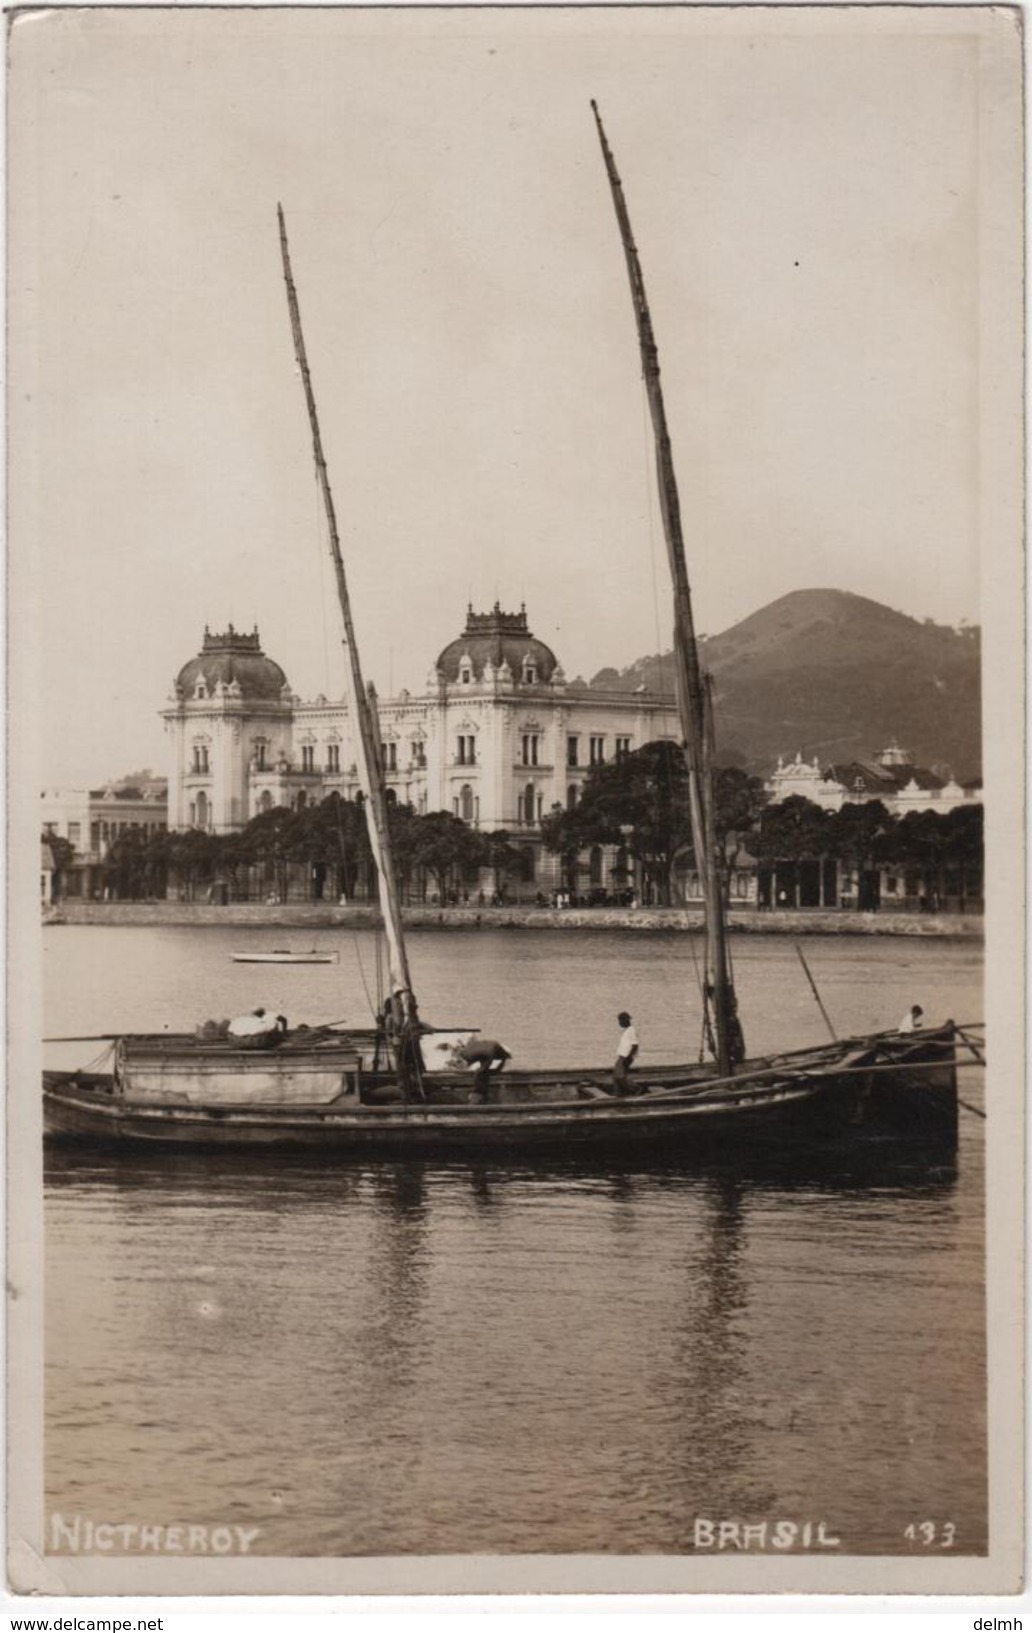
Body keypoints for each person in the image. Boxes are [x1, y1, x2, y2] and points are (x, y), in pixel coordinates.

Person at [459, 1037, 511, 1102]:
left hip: (465, 1052)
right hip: (475, 1055)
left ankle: (478, 1094)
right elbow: (483, 1070)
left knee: (481, 1071)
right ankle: (477, 1095)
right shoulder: (491, 1053)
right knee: (481, 1073)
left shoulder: (492, 1044)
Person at [612, 1010, 639, 1096]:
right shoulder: (627, 1031)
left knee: (619, 1076)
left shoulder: (631, 1030)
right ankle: (619, 1094)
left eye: (620, 1020)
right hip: (622, 1056)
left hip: (625, 1057)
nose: (619, 1023)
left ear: (625, 1020)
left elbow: (635, 1045)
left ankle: (636, 1088)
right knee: (617, 1076)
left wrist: (628, 1057)